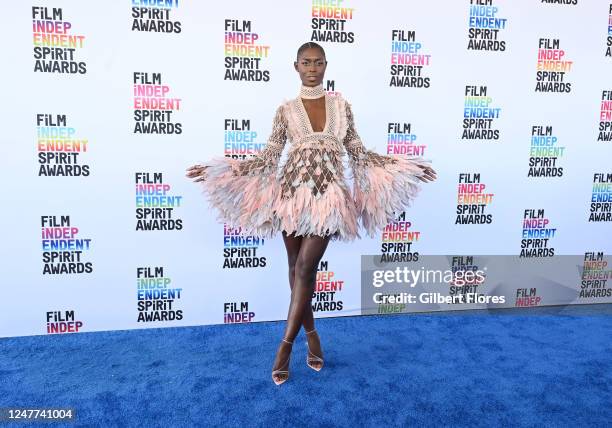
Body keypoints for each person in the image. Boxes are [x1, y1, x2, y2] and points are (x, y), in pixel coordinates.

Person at [186, 42, 437, 385]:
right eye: (306, 62)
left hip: (327, 198)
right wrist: (221, 171)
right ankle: (313, 335)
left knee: (306, 266)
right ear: (296, 66)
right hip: (291, 195)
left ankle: (285, 347)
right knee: (295, 268)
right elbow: (268, 158)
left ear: (326, 66)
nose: (312, 68)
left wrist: (407, 166)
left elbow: (360, 154)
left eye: (318, 62)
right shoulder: (286, 110)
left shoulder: (341, 107)